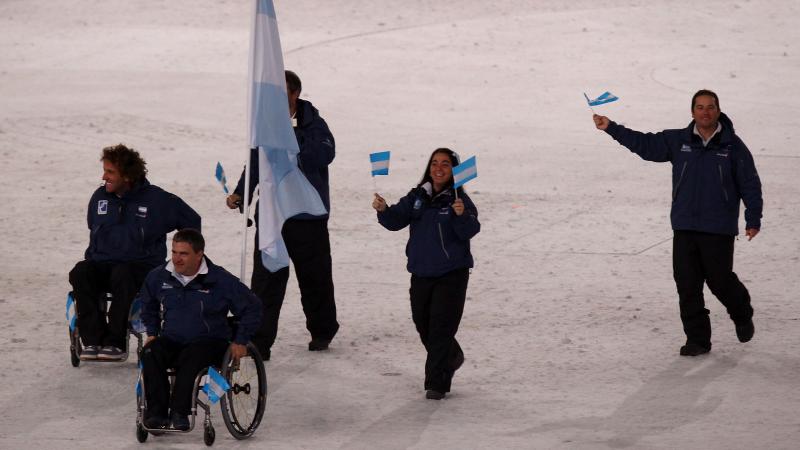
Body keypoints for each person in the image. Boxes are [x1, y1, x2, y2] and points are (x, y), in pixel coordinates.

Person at [593, 89, 763, 356]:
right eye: (700, 107)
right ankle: (698, 340)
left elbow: (750, 184)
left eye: (710, 107)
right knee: (687, 284)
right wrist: (611, 128)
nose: (705, 112)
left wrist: (753, 218)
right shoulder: (679, 141)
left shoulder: (733, 147)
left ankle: (741, 312)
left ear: (718, 111)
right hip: (684, 226)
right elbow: (645, 145)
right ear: (692, 112)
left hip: (718, 227)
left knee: (720, 281)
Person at [226, 70, 338, 360]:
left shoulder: (314, 123)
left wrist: (291, 142)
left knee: (315, 279)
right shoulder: (264, 126)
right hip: (272, 217)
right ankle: (259, 342)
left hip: (307, 216)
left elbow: (325, 155)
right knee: (266, 281)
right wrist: (242, 193)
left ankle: (322, 331)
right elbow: (254, 162)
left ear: (294, 94)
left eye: (282, 93)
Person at [68, 144, 200, 361]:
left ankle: (115, 342)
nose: (104, 176)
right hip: (103, 264)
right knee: (81, 272)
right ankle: (93, 340)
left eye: (110, 172)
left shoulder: (157, 200)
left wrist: (186, 255)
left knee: (124, 273)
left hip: (141, 268)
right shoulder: (99, 198)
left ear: (128, 176)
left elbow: (192, 221)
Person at [372, 148, 480, 400]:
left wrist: (461, 215)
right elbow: (396, 220)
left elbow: (471, 230)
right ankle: (451, 356)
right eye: (434, 163)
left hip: (451, 274)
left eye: (445, 164)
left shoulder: (459, 201)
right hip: (421, 273)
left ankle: (436, 384)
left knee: (441, 328)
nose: (439, 168)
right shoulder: (418, 196)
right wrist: (384, 209)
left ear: (454, 171)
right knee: (424, 325)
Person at [138, 229, 262, 430]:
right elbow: (148, 302)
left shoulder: (220, 280)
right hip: (173, 339)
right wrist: (152, 332)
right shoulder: (159, 276)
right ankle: (156, 413)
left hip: (210, 342)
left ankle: (180, 411)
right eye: (175, 252)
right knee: (150, 353)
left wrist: (240, 340)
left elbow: (252, 307)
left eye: (184, 254)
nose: (177, 259)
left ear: (199, 255)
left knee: (192, 356)